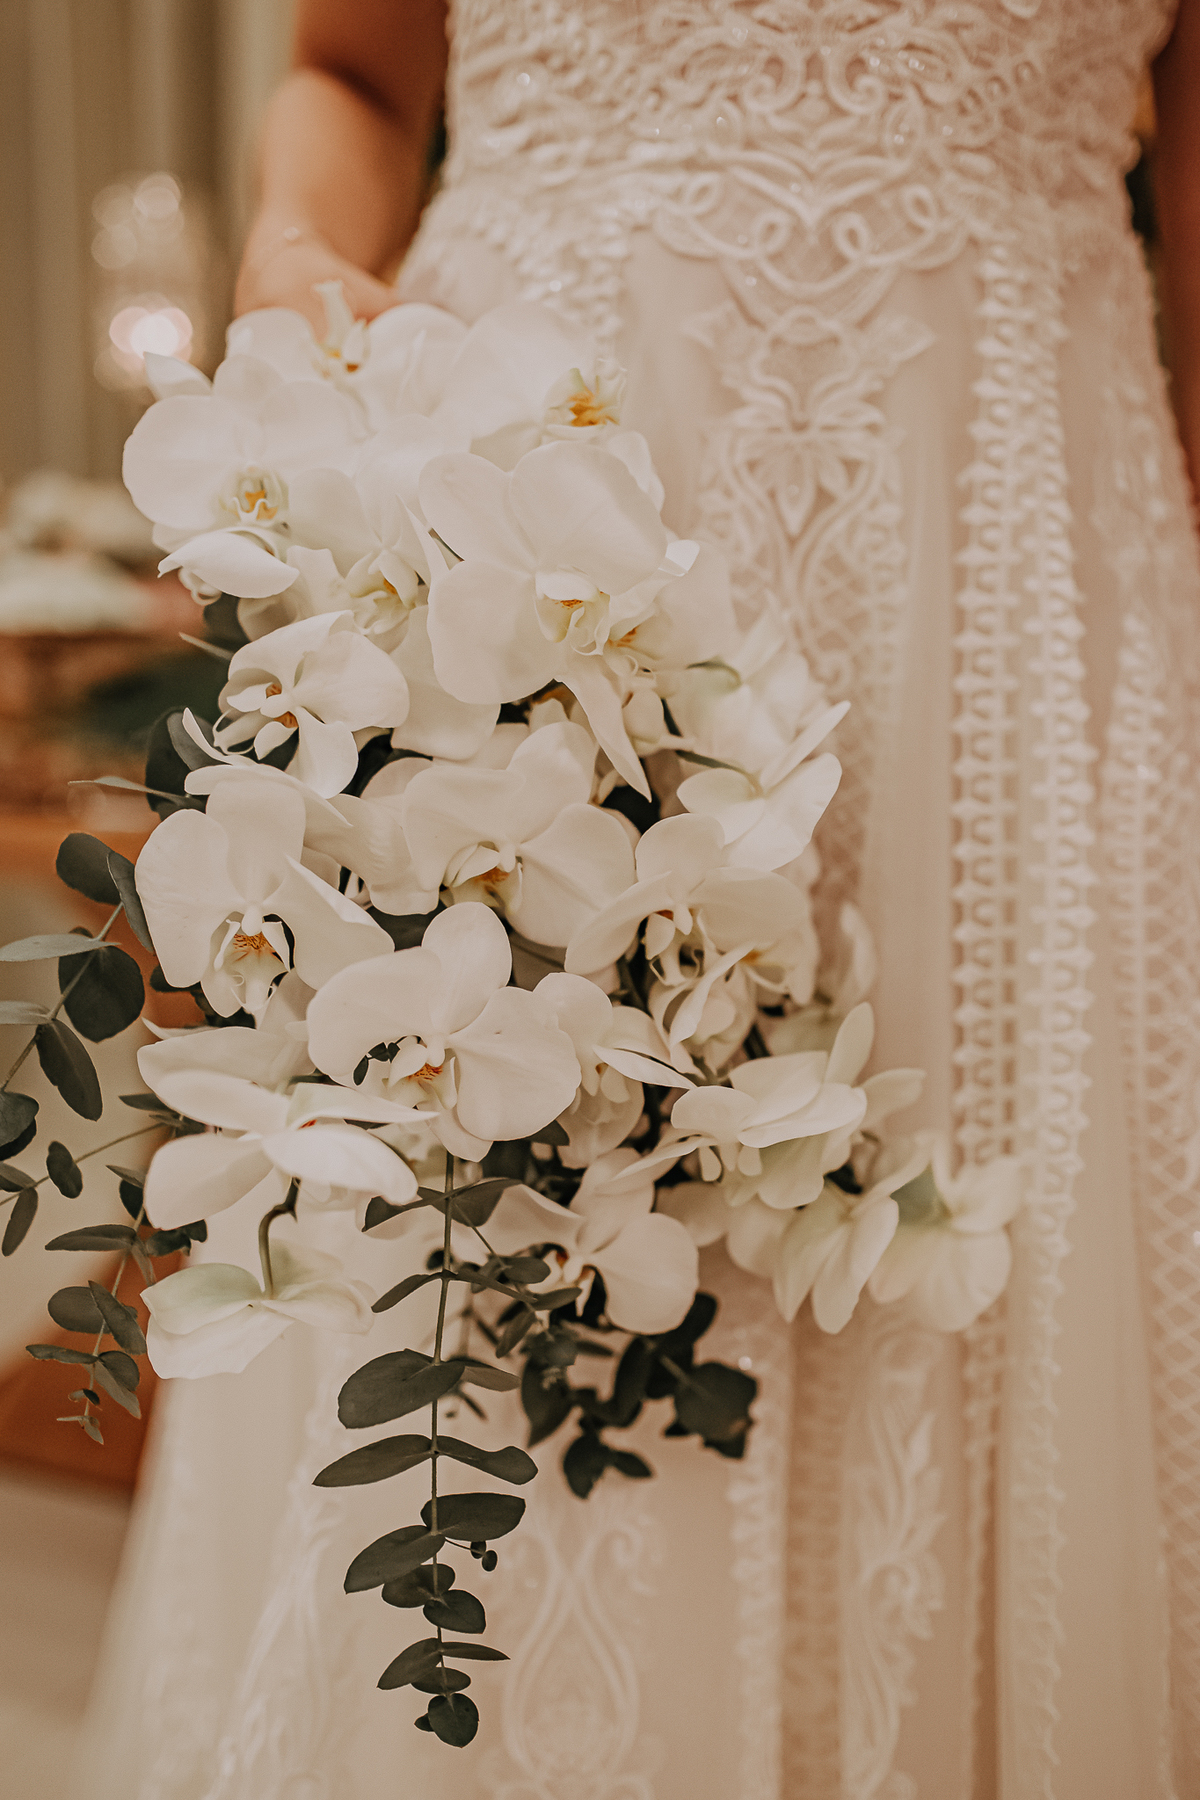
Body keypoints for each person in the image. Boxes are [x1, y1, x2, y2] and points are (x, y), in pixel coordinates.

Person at [79, 2, 1200, 1795]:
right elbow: (351, 76)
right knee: (514, 1234)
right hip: (554, 538)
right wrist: (294, 268)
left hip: (1019, 606)